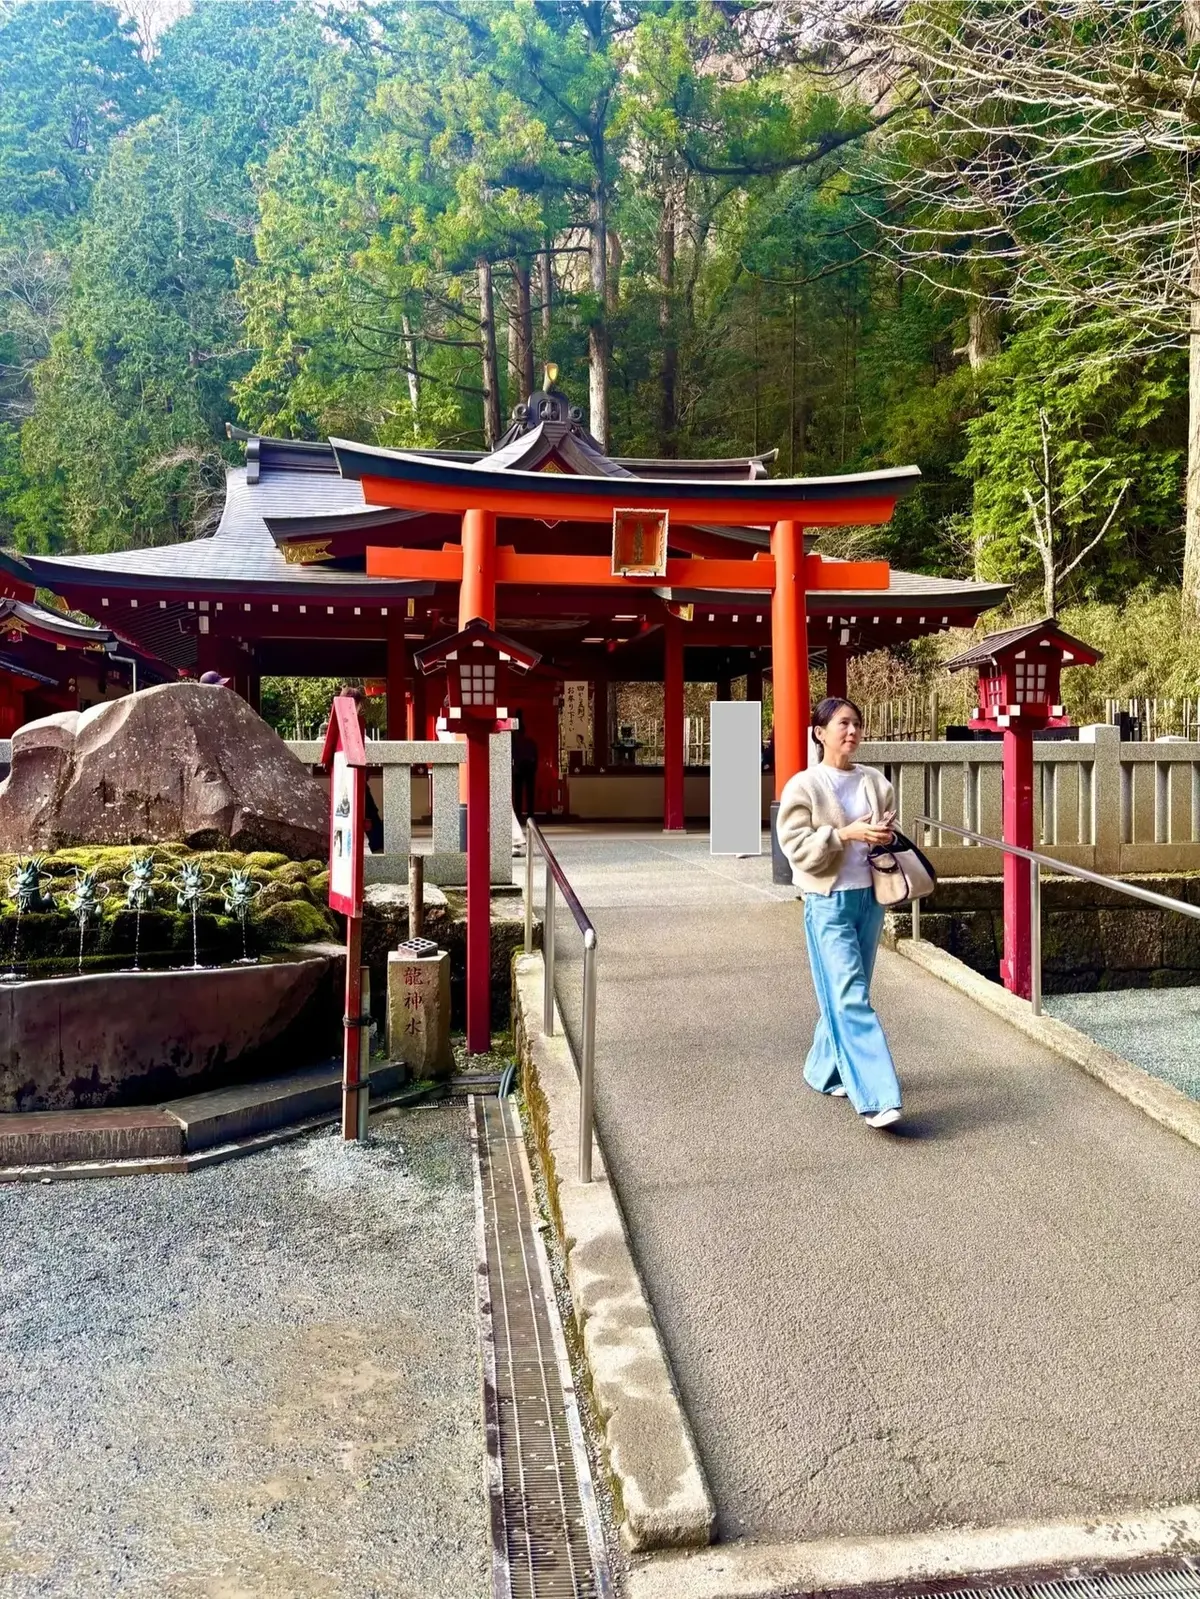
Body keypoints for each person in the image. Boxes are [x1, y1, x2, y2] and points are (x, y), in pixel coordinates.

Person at [775, 697, 903, 1130]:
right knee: (852, 996)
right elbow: (795, 850)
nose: (852, 732)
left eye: (857, 724)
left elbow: (890, 836)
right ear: (820, 732)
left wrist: (884, 836)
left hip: (869, 899)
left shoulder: (875, 782)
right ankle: (878, 1096)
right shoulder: (804, 786)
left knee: (849, 991)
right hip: (827, 901)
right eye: (842, 724)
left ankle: (820, 1070)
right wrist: (843, 834)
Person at [338, 684, 384, 852]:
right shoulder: (352, 724)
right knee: (370, 816)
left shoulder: (340, 723)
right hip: (355, 781)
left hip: (345, 782)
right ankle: (378, 850)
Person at [511, 713, 539, 823]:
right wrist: (534, 767)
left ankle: (518, 814)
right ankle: (530, 814)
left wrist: (514, 767)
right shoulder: (530, 742)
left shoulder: (515, 742)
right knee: (529, 792)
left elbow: (514, 755)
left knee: (518, 793)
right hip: (529, 768)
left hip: (519, 767)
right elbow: (535, 756)